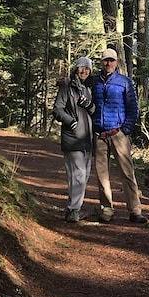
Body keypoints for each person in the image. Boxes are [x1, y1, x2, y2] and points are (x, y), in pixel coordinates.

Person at [92, 48, 147, 224]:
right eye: (106, 60)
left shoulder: (124, 82)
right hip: (100, 135)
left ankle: (135, 210)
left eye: (112, 60)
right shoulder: (94, 82)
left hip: (119, 134)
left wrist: (126, 129)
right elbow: (78, 85)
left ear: (116, 62)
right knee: (102, 175)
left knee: (127, 172)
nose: (108, 63)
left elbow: (133, 109)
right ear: (102, 62)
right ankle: (106, 209)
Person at [52, 56, 96, 223]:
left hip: (87, 138)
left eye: (87, 68)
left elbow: (93, 110)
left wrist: (90, 106)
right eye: (81, 67)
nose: (84, 71)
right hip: (72, 138)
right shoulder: (67, 87)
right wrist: (70, 121)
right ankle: (74, 210)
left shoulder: (88, 88)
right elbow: (57, 109)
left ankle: (72, 208)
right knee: (78, 175)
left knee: (81, 177)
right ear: (76, 69)